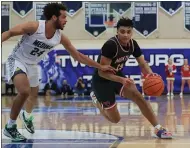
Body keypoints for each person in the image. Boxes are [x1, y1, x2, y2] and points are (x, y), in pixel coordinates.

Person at [2, 3, 115, 142]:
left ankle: (27, 115)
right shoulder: (35, 26)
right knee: (24, 91)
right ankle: (10, 127)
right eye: (63, 17)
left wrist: (100, 66)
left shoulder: (59, 37)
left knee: (33, 94)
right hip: (17, 60)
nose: (66, 20)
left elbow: (78, 56)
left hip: (32, 64)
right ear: (54, 17)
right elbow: (10, 32)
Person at [90, 17, 172, 139]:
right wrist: (122, 80)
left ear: (132, 32)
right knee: (115, 119)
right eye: (122, 31)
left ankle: (158, 128)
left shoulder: (133, 44)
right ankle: (96, 100)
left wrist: (150, 74)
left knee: (139, 97)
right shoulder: (110, 45)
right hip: (102, 81)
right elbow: (102, 73)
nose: (125, 35)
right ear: (117, 32)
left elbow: (143, 64)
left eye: (128, 32)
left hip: (117, 76)